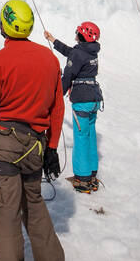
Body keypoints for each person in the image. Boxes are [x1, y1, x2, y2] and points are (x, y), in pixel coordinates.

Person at [0, 0, 65, 261]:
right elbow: (56, 109)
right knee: (34, 207)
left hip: (4, 147)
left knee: (7, 218)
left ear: (5, 26)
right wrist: (51, 148)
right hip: (35, 146)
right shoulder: (49, 59)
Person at [44, 22, 103, 194]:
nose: (75, 33)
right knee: (90, 135)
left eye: (77, 32)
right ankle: (91, 175)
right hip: (93, 98)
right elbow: (71, 52)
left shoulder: (80, 53)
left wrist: (55, 98)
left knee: (81, 138)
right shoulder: (90, 51)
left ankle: (82, 179)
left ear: (84, 35)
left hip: (82, 99)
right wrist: (53, 40)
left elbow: (68, 76)